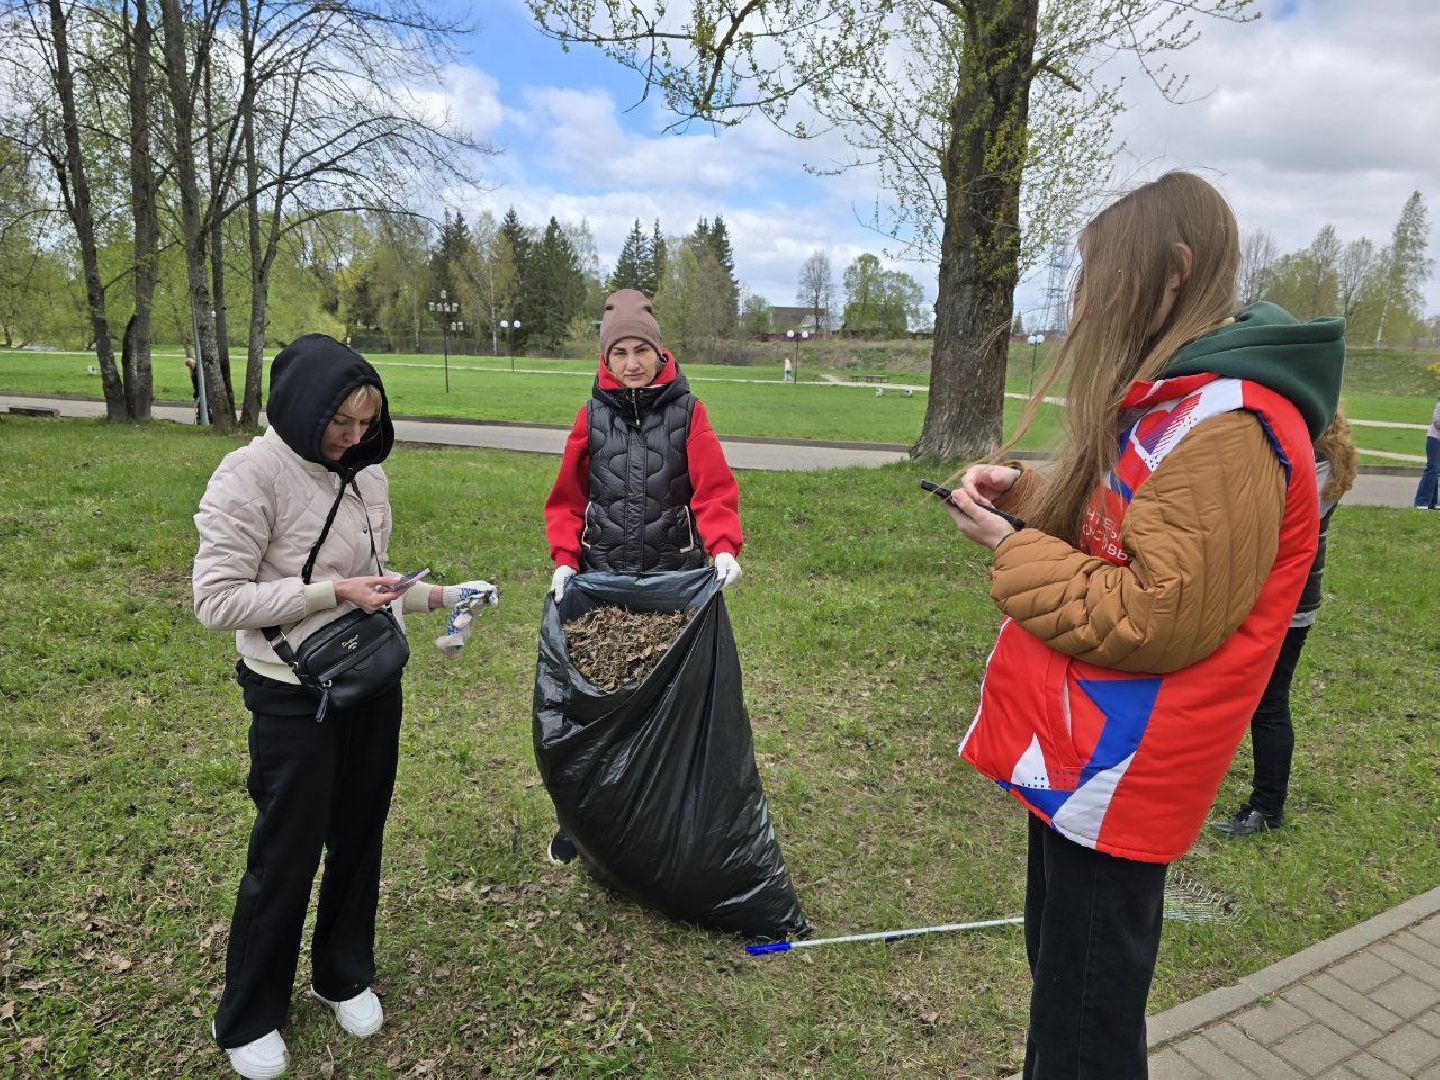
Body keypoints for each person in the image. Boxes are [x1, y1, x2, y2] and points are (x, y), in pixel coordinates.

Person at [942, 172, 1343, 1079]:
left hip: (1121, 774)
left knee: (1085, 1033)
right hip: (1083, 753)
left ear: (1174, 272)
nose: (1087, 302)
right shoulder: (1185, 401)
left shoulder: (1234, 425)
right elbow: (1133, 533)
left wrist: (1012, 549)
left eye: (1102, 277)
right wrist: (1037, 499)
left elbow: (1154, 614)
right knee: (1066, 995)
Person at [193, 334, 492, 1079]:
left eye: (366, 424)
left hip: (370, 684)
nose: (354, 438)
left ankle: (341, 973)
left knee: (360, 836)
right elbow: (216, 600)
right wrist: (331, 593)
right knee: (285, 854)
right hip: (293, 697)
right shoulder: (249, 475)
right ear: (303, 406)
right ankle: (250, 1015)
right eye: (341, 423)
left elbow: (375, 587)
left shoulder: (368, 476)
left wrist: (443, 596)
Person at [542, 289, 743, 863]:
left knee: (665, 711)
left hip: (671, 582)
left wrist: (722, 546)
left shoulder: (688, 413)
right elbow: (566, 499)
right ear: (605, 360)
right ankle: (582, 826)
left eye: (641, 350)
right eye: (619, 352)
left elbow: (713, 487)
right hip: (602, 584)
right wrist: (564, 559)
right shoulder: (591, 416)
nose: (631, 362)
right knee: (598, 712)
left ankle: (662, 825)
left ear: (660, 352)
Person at [1213, 410, 1358, 838]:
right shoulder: (1313, 457)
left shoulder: (1318, 464)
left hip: (1285, 604)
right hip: (1271, 599)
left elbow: (1276, 526)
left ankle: (1267, 808)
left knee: (1270, 703)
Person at [1414, 393, 1439, 509]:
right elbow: (1437, 422)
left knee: (1437, 472)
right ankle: (1421, 502)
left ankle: (1433, 502)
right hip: (1435, 440)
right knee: (1432, 469)